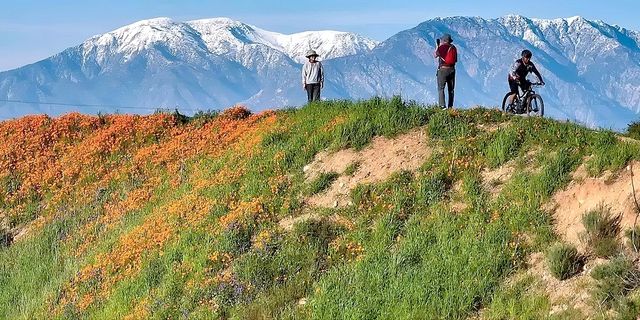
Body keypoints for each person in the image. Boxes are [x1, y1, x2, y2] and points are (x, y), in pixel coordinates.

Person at [434, 33, 457, 109]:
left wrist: (437, 47)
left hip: (443, 70)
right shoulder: (453, 48)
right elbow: (455, 60)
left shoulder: (442, 47)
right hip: (452, 70)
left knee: (441, 88)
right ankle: (450, 106)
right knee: (451, 89)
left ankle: (442, 106)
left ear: (443, 40)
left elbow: (435, 55)